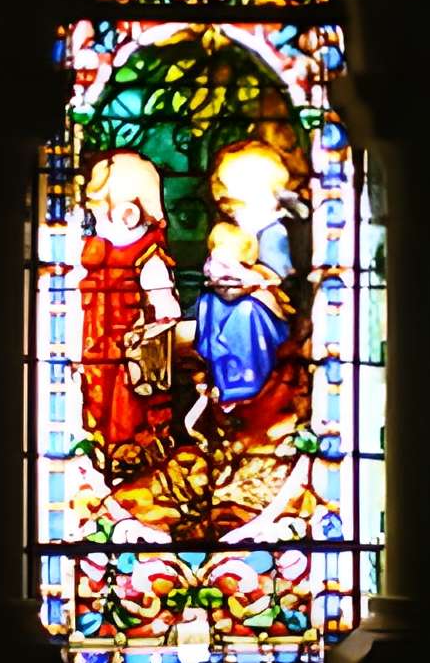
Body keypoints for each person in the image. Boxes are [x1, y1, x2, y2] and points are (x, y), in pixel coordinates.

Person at [77, 149, 181, 466]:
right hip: (97, 350)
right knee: (97, 401)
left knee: (128, 407)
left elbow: (166, 308)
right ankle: (104, 448)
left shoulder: (149, 258)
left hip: (129, 354)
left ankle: (131, 454)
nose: (94, 226)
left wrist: (149, 331)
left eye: (98, 217)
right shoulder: (98, 254)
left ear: (128, 216)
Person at [192, 141, 303, 436]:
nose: (234, 212)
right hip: (237, 296)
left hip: (267, 305)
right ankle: (221, 374)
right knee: (209, 303)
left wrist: (246, 276)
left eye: (241, 203)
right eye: (231, 204)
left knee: (244, 313)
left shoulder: (275, 233)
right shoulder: (238, 231)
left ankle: (246, 381)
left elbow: (277, 277)